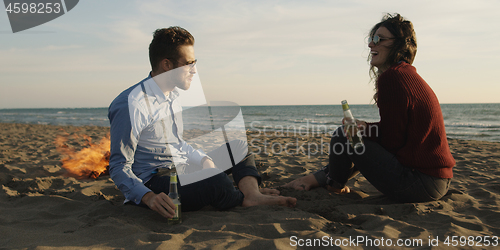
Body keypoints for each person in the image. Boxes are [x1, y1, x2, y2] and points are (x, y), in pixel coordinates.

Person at [108, 26, 296, 219]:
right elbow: (118, 165)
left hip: (180, 168)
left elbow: (177, 143)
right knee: (216, 182)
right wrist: (148, 197)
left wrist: (203, 160)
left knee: (238, 147)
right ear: (167, 65)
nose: (194, 70)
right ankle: (243, 197)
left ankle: (253, 195)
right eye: (189, 64)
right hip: (155, 183)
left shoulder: (172, 95)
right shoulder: (132, 104)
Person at [284, 13, 455, 203]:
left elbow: (391, 142)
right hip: (437, 182)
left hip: (418, 183)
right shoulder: (406, 74)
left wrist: (365, 130)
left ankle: (333, 187)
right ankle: (324, 179)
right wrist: (366, 128)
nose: (370, 45)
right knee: (354, 134)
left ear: (398, 45)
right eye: (371, 39)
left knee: (344, 134)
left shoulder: (393, 77)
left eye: (378, 39)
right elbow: (396, 135)